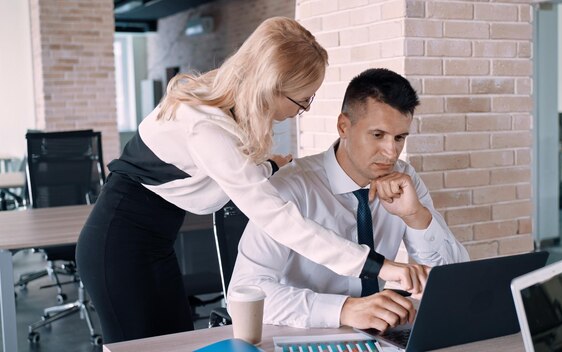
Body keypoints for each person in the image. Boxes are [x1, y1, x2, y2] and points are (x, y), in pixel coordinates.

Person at [75, 17, 423, 343]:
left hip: (155, 242)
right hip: (119, 244)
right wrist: (377, 265)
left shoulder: (228, 107)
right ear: (270, 86)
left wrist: (270, 166)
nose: (304, 109)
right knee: (143, 348)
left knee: (178, 343)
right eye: (302, 99)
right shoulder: (206, 126)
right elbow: (280, 220)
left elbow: (222, 171)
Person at [229, 68, 469, 331]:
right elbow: (244, 292)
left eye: (399, 138)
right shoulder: (290, 188)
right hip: (304, 335)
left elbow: (453, 281)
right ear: (344, 126)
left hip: (382, 336)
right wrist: (343, 309)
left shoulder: (405, 180)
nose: (391, 152)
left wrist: (416, 216)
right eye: (378, 135)